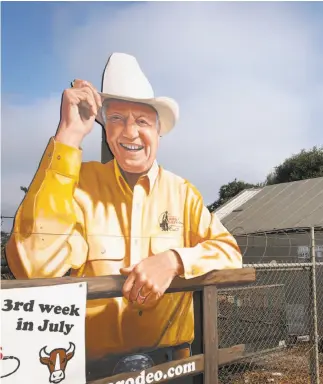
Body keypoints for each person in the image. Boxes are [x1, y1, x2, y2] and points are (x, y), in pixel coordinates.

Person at [6, 53, 243, 368]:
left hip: (173, 367)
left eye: (142, 121)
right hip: (94, 369)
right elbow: (33, 267)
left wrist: (173, 260)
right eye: (116, 118)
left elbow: (230, 253)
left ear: (158, 131)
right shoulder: (77, 185)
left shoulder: (182, 193)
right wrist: (68, 136)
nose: (130, 132)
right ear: (105, 129)